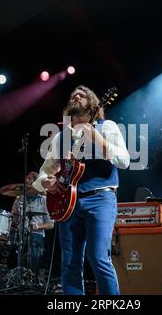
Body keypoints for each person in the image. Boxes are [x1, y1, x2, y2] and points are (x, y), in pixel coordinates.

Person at [32, 85, 130, 295]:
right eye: (73, 93)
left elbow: (124, 161)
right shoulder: (60, 138)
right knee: (70, 262)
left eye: (82, 94)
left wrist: (97, 138)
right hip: (68, 204)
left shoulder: (107, 127)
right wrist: (46, 182)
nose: (76, 95)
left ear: (93, 101)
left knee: (98, 258)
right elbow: (43, 173)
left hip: (100, 198)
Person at [11, 171, 54, 274]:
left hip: (36, 234)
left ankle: (33, 276)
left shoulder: (44, 200)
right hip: (21, 233)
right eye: (26, 178)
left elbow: (51, 224)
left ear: (36, 183)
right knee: (15, 253)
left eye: (30, 179)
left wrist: (37, 226)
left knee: (34, 254)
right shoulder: (20, 198)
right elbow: (13, 217)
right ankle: (18, 276)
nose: (27, 180)